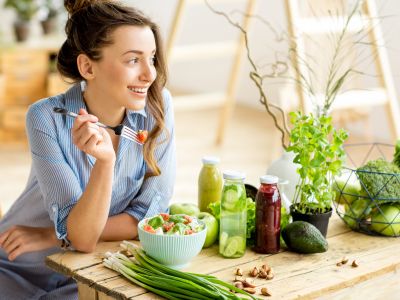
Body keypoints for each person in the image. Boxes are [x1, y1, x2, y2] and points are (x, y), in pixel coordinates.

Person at [0, 0, 176, 298]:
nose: (150, 74)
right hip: (18, 266)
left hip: (86, 273)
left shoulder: (157, 107)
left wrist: (53, 235)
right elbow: (81, 236)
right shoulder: (46, 117)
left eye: (152, 58)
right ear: (87, 66)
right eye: (133, 60)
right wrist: (104, 166)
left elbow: (149, 216)